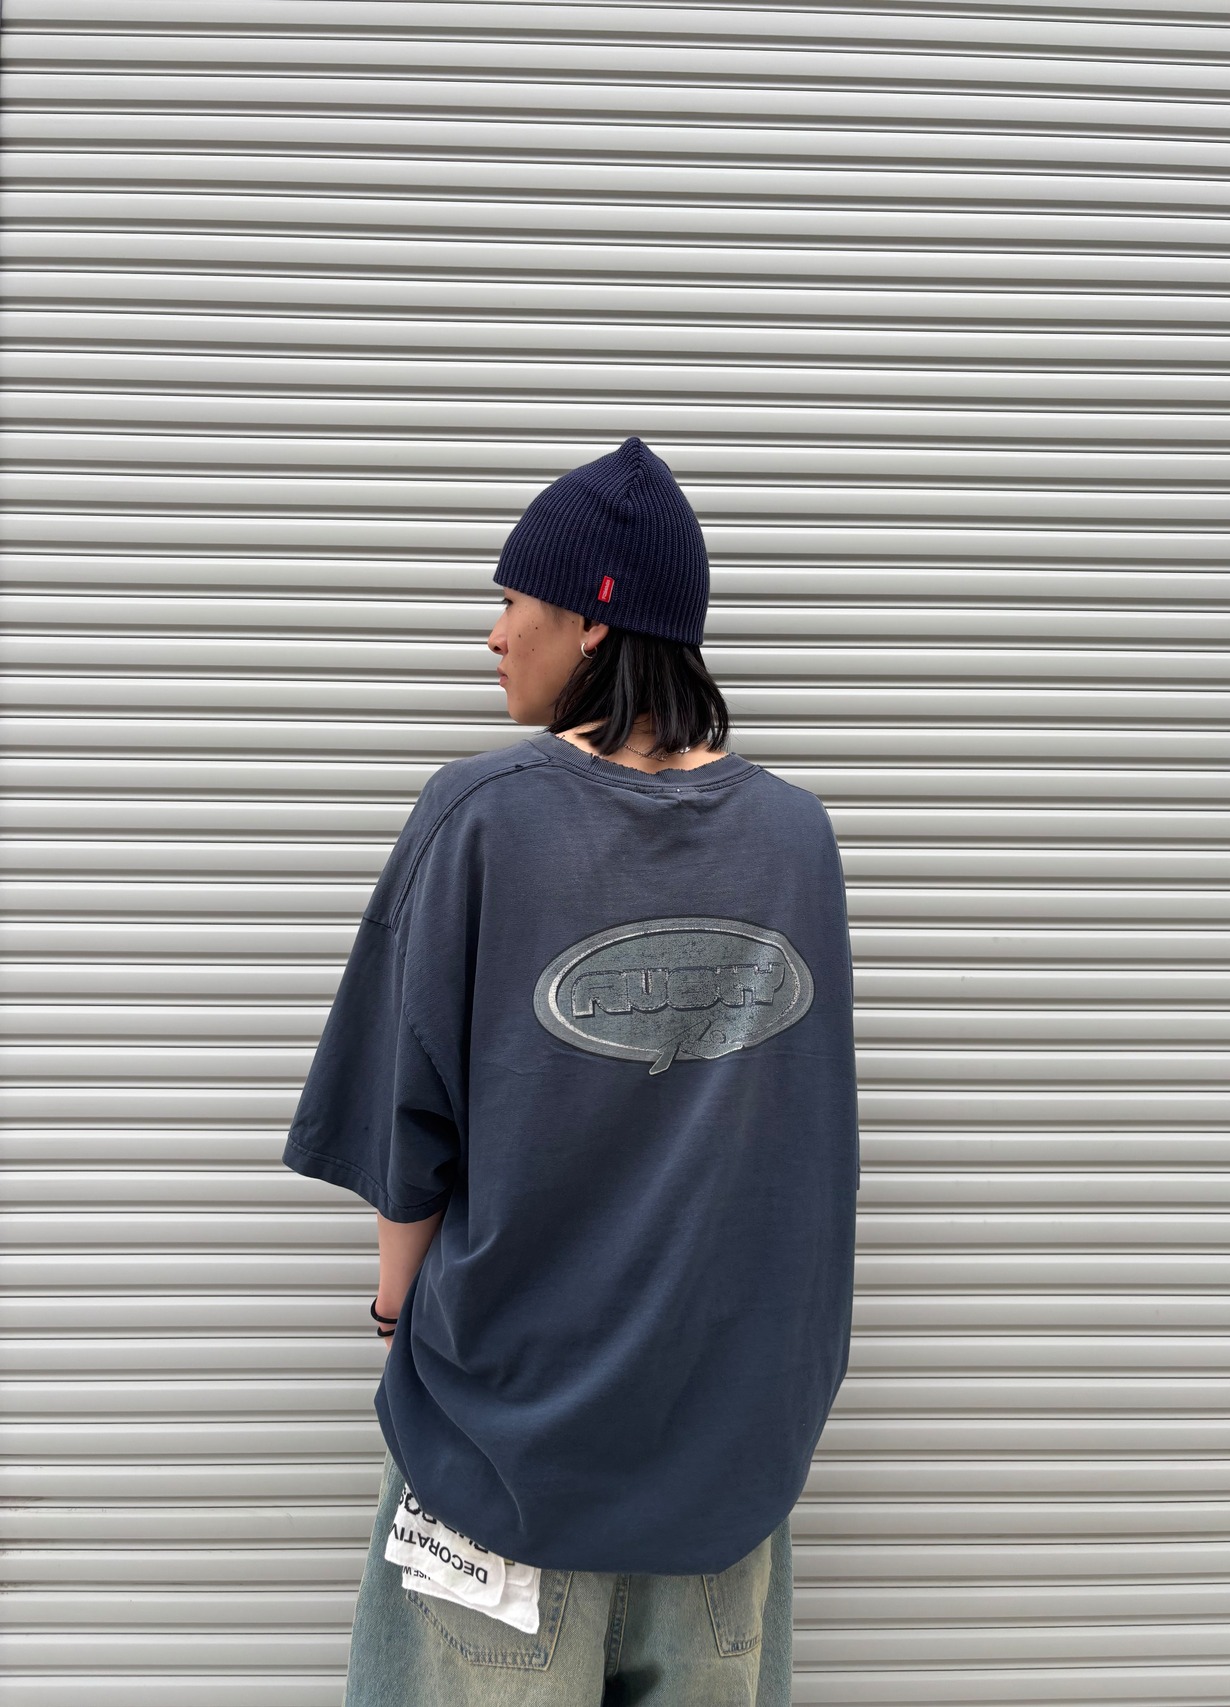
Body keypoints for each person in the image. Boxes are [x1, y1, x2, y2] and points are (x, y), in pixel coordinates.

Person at [281, 436, 860, 1705]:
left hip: (506, 1452)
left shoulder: (479, 814)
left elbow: (404, 1121)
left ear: (593, 620)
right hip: (725, 1461)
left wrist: (392, 1308)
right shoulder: (795, 839)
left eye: (512, 602)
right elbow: (807, 1153)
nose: (494, 636)